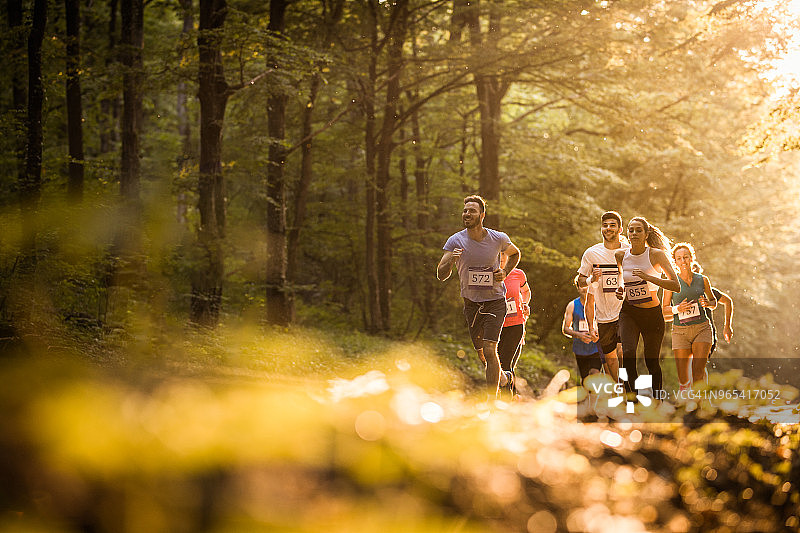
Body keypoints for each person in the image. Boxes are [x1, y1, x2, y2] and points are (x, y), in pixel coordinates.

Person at [437, 195, 521, 398]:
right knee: (483, 355)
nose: (467, 214)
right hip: (471, 304)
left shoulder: (498, 238)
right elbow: (440, 274)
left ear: (482, 215)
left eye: (472, 211)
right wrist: (450, 262)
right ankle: (504, 378)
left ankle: (491, 403)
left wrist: (505, 272)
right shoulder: (455, 241)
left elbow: (515, 253)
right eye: (465, 210)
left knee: (490, 349)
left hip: (494, 302)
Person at [613, 217, 680, 398]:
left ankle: (658, 398)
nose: (634, 233)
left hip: (652, 314)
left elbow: (676, 285)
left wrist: (649, 278)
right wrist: (621, 290)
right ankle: (632, 398)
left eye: (638, 230)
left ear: (646, 233)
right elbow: (623, 279)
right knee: (627, 353)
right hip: (629, 311)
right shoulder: (620, 255)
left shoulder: (656, 255)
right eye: (631, 230)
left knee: (651, 361)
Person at [661, 244, 718, 390]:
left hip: (702, 329)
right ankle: (687, 402)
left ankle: (700, 409)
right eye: (679, 258)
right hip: (680, 332)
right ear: (675, 262)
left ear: (691, 258)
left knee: (698, 373)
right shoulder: (670, 283)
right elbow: (664, 311)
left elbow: (714, 302)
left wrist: (707, 302)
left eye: (686, 257)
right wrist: (677, 309)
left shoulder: (703, 280)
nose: (683, 261)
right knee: (683, 379)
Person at [579, 211, 627, 381]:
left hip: (625, 311)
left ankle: (629, 388)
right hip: (604, 316)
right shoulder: (592, 253)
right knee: (610, 359)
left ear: (620, 229)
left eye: (612, 225)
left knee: (622, 351)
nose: (608, 228)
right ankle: (620, 390)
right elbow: (580, 281)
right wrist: (592, 278)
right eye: (605, 225)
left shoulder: (628, 251)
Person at [497, 251, 530, 394]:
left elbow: (526, 291)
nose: (501, 257)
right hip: (496, 326)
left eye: (504, 254)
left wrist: (525, 304)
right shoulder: (489, 274)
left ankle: (505, 399)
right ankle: (510, 395)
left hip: (515, 324)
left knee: (505, 362)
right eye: (498, 254)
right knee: (495, 365)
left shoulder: (518, 274)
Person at [563, 275, 603, 383]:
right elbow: (565, 329)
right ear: (578, 288)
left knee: (595, 373)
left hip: (596, 347)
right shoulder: (572, 305)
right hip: (580, 348)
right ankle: (585, 398)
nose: (584, 288)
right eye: (582, 286)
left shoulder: (599, 304)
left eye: (587, 286)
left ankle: (594, 399)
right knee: (585, 379)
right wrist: (579, 335)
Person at [708, 286, 734, 356]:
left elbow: (727, 301)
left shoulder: (707, 291)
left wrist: (727, 326)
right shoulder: (679, 292)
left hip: (707, 335)